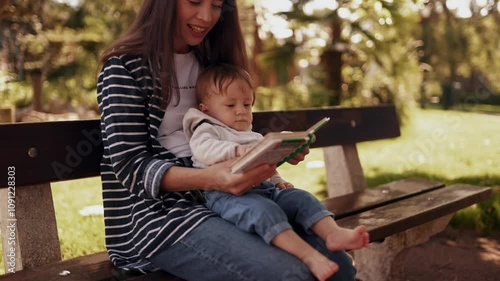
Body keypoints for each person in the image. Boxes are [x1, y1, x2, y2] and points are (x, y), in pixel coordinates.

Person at [97, 0, 359, 280]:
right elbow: (129, 166)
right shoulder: (124, 67)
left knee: (339, 267)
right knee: (290, 274)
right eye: (195, 1)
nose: (207, 16)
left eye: (217, 5)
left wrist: (272, 149)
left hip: (233, 196)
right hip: (161, 214)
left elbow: (231, 130)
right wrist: (211, 178)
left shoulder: (211, 62)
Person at [182, 64, 370, 281]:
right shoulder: (207, 128)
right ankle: (309, 256)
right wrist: (235, 150)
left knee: (301, 198)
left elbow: (264, 162)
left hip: (266, 189)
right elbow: (203, 150)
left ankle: (333, 233)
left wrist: (279, 180)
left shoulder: (249, 133)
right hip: (227, 196)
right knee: (263, 211)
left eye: (246, 104)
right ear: (206, 109)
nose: (241, 111)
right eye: (230, 105)